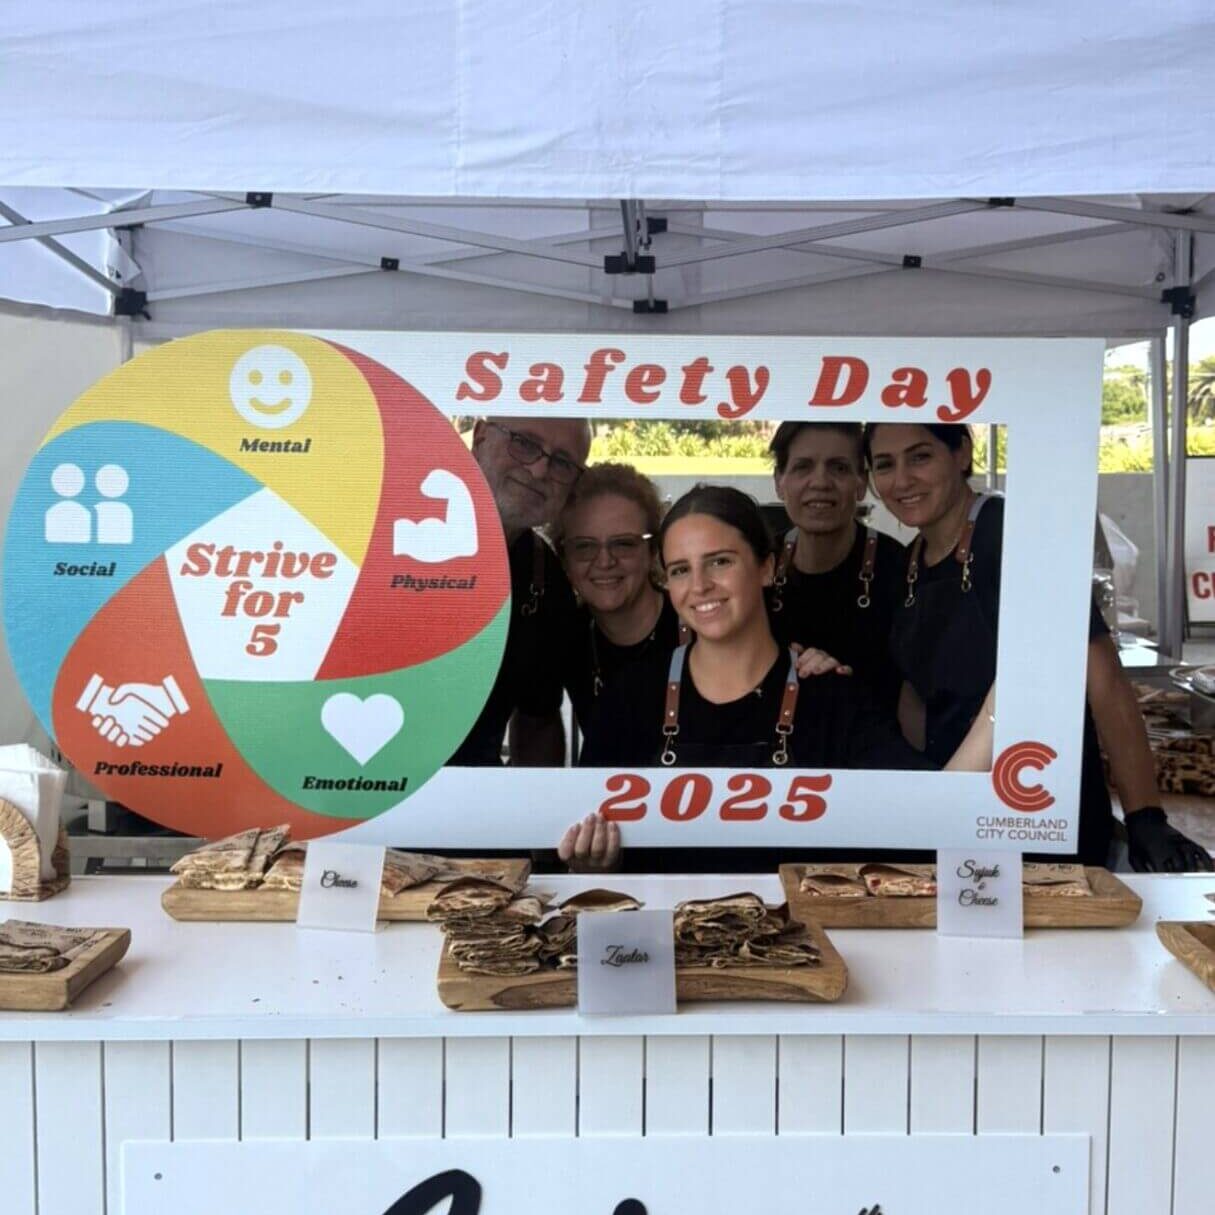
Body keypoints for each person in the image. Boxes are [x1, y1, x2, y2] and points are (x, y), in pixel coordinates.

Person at [559, 485, 993, 871]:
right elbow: (589, 841)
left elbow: (926, 812)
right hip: (669, 951)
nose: (700, 585)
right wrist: (595, 861)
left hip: (799, 952)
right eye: (680, 570)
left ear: (767, 568)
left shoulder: (832, 699)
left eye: (720, 562)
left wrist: (1004, 706)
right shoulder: (631, 699)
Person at [864, 421, 1212, 873]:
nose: (902, 479)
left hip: (1039, 816)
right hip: (957, 816)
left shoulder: (1013, 536)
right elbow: (918, 694)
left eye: (920, 456)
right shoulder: (910, 560)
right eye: (884, 465)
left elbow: (1102, 678)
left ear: (962, 453)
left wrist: (1145, 815)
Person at [449, 416, 591, 766]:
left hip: (469, 807)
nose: (540, 469)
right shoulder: (386, 533)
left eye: (562, 462)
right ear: (480, 437)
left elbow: (537, 720)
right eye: (524, 442)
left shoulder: (543, 581)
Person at [768, 422, 905, 711]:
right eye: (802, 467)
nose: (820, 482)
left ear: (861, 484)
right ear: (779, 482)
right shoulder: (758, 567)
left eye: (839, 468)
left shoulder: (900, 569)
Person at [551, 463, 685, 754]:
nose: (605, 561)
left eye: (623, 544)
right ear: (565, 559)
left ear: (653, 552)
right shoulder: (564, 636)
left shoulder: (700, 626)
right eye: (584, 547)